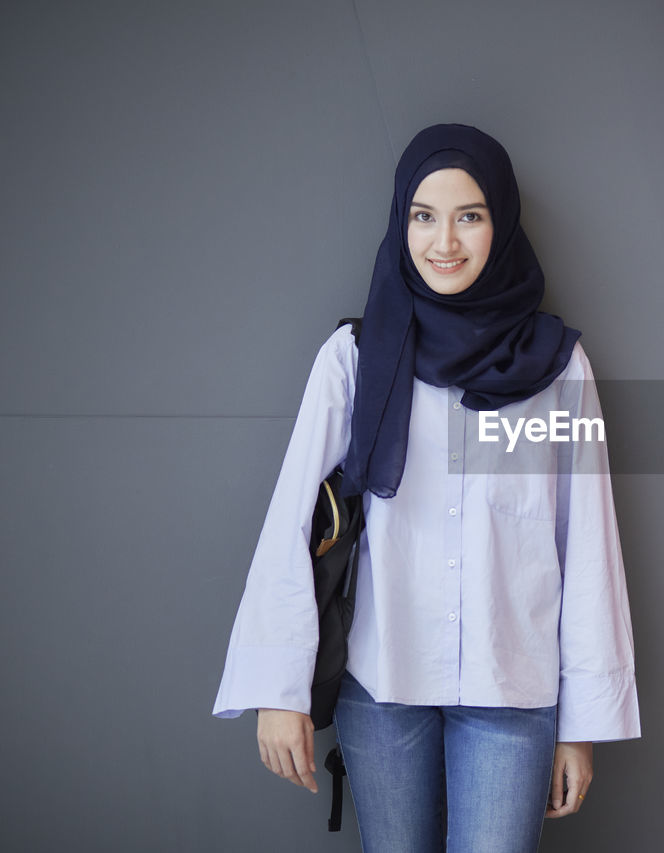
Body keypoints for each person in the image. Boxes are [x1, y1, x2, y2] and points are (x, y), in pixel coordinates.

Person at [212, 123, 640, 852]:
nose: (445, 241)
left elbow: (588, 543)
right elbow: (292, 521)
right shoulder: (351, 359)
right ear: (400, 222)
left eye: (469, 215)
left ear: (499, 225)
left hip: (514, 689)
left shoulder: (560, 370)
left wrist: (583, 723)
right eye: (424, 215)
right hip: (381, 680)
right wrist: (278, 690)